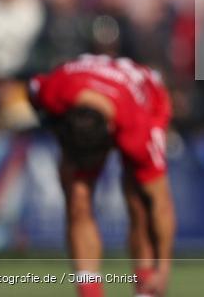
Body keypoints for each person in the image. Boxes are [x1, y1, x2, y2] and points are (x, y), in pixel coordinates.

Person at [30, 54, 175, 297]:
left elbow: (160, 204)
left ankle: (146, 290)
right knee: (77, 198)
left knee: (139, 202)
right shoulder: (52, 92)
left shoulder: (139, 132)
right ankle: (90, 292)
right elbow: (32, 91)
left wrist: (164, 267)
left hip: (146, 100)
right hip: (81, 94)